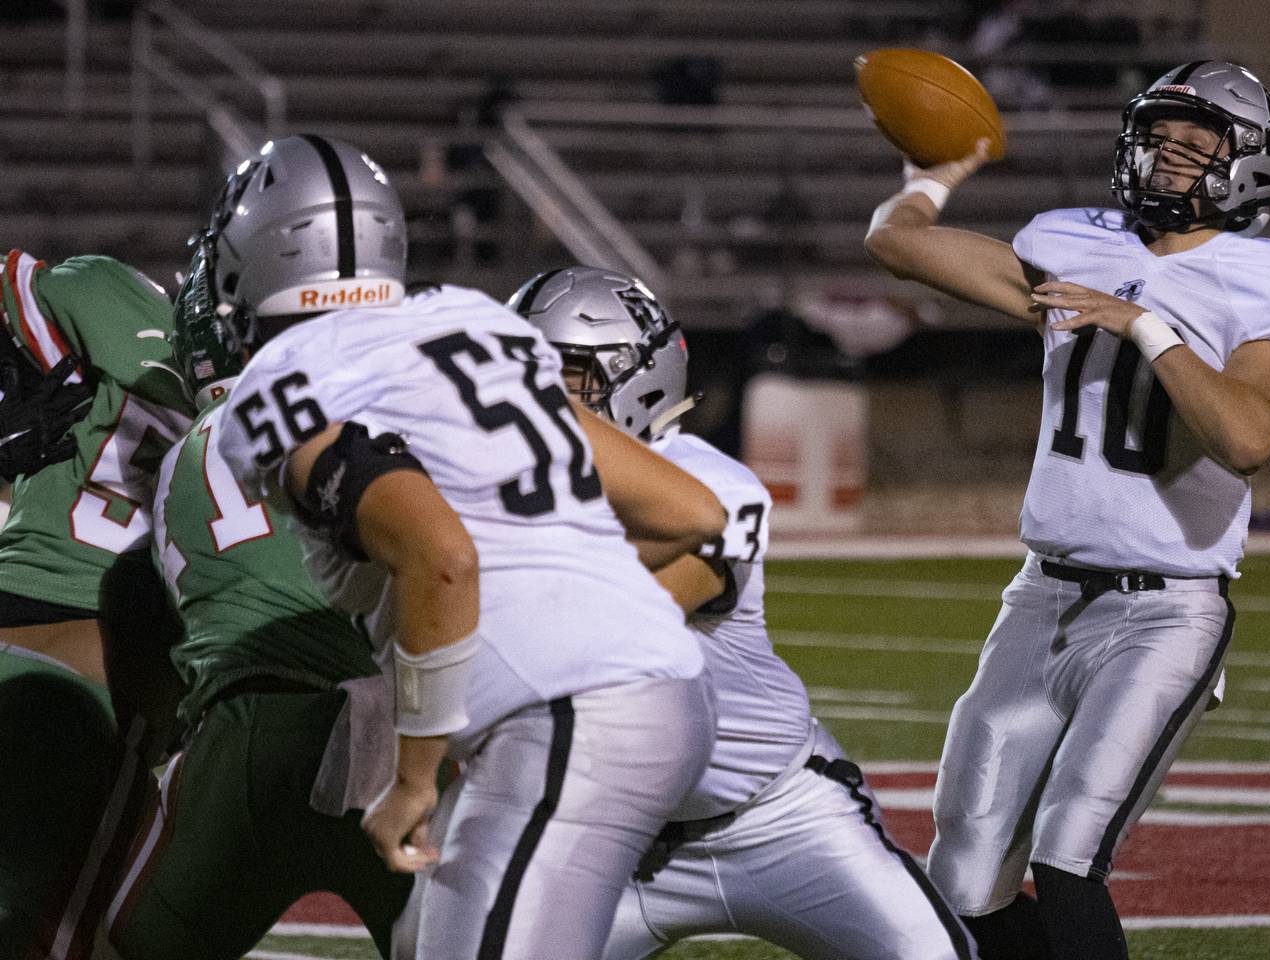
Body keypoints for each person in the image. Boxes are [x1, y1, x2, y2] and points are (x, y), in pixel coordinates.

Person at [203, 133, 727, 959]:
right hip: (662, 697)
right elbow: (692, 511)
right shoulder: (470, 322)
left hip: (571, 715)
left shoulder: (280, 385)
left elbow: (440, 557)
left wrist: (413, 777)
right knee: (430, 942)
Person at [864, 61, 1270, 960]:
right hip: (1039, 600)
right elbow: (899, 243)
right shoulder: (1076, 241)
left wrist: (1143, 324)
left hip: (1166, 608)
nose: (1168, 159)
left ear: (1250, 164)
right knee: (965, 876)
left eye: (1195, 144)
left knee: (1071, 852)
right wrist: (938, 167)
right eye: (1157, 138)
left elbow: (1246, 437)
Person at [513, 265, 976, 960]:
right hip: (608, 839)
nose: (533, 398)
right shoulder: (498, 495)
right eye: (520, 372)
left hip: (778, 818)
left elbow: (617, 617)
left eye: (565, 378)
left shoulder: (708, 480)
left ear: (635, 375)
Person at [104, 242, 413, 959]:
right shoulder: (355, 418)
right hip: (371, 722)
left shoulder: (179, 457)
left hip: (235, 735)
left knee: (133, 946)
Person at [0, 248, 192, 959]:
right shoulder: (289, 414)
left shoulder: (114, 295)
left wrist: (51, 359)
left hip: (35, 611)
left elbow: (16, 277)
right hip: (137, 687)